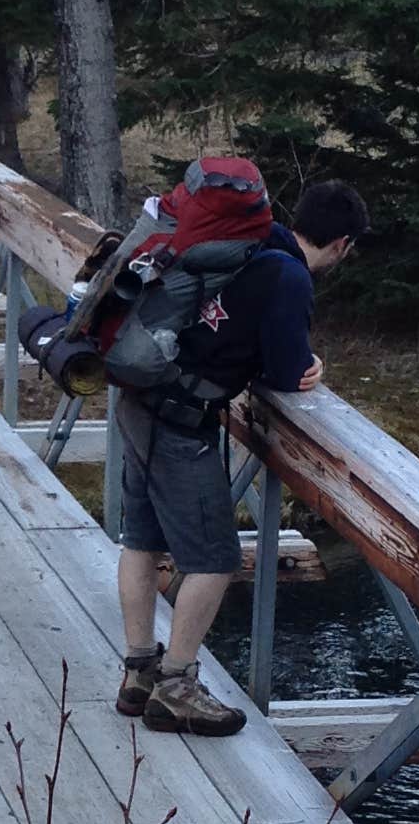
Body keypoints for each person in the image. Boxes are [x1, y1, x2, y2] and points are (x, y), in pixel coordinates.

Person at [113, 176, 368, 736]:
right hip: (180, 421)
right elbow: (286, 372)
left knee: (142, 539)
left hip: (140, 394)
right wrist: (313, 366)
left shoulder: (253, 239)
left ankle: (139, 674)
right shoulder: (289, 276)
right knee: (214, 560)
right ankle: (176, 686)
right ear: (343, 244)